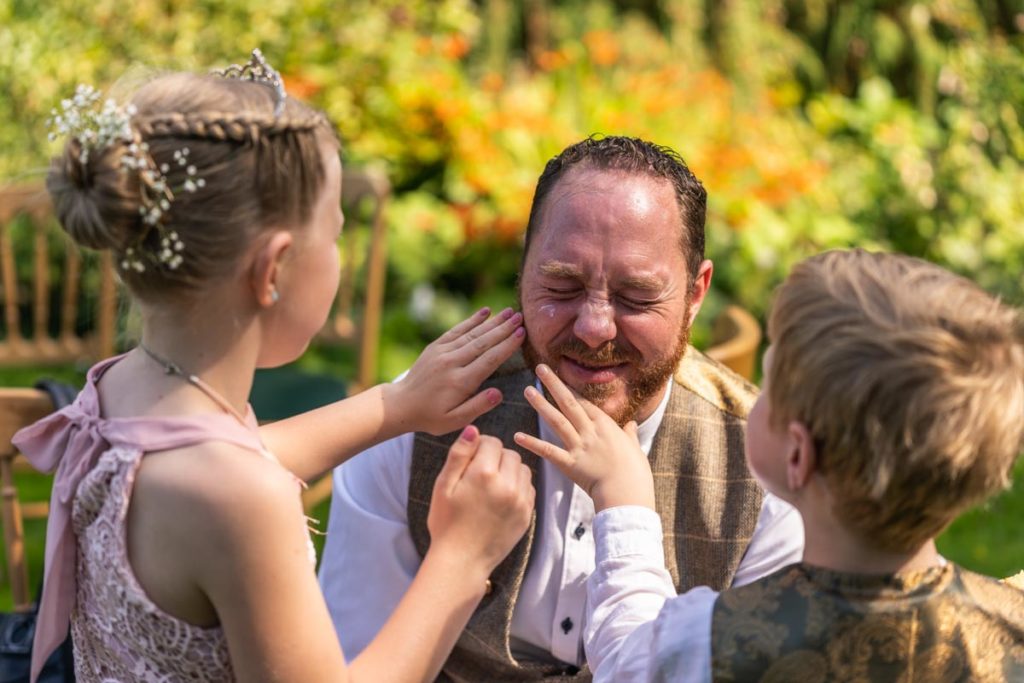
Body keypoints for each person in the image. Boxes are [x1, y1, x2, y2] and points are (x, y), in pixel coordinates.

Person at [16, 50, 536, 683]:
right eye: (337, 234)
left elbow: (240, 457)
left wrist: (394, 407)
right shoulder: (242, 503)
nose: (341, 256)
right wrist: (462, 556)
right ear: (274, 270)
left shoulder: (121, 389)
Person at [319, 136, 804, 680]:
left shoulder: (768, 473)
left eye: (637, 298)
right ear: (523, 272)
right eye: (562, 285)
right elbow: (353, 657)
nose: (594, 327)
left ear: (696, 294)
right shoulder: (412, 429)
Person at [519, 249, 1024, 681]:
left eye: (768, 384)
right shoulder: (1009, 627)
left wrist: (622, 500)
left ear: (798, 455)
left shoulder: (714, 638)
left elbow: (628, 659)